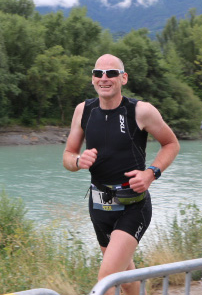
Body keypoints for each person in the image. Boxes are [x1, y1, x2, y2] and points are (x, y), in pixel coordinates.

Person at [63, 54, 180, 295]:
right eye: (98, 73)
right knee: (126, 279)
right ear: (93, 79)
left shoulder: (141, 111)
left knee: (106, 278)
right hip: (99, 206)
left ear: (123, 78)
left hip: (132, 206)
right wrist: (78, 160)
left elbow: (171, 144)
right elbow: (68, 156)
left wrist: (151, 173)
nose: (104, 78)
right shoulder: (83, 111)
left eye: (112, 73)